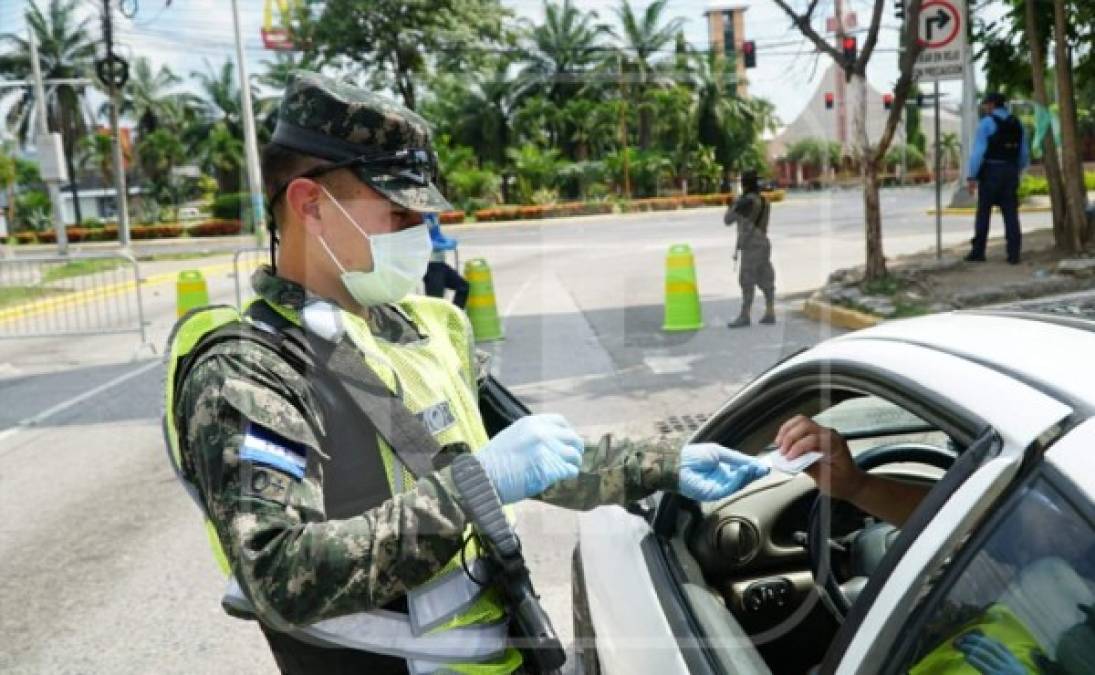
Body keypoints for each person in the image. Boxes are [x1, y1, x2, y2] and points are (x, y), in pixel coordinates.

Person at [164, 71, 770, 675]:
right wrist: (472, 488)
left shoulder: (418, 328)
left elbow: (537, 459)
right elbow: (276, 574)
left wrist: (667, 464)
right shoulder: (251, 370)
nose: (420, 234)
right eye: (398, 214)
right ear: (310, 205)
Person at [966, 92, 1030, 265]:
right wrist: (1016, 169)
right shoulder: (1017, 123)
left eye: (986, 104)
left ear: (992, 105)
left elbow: (978, 153)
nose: (985, 108)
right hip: (1010, 171)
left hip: (991, 172)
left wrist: (972, 176)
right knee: (1010, 213)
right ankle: (1014, 253)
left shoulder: (986, 123)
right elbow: (1023, 153)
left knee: (983, 213)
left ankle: (978, 251)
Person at [725, 170, 776, 328]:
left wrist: (732, 204)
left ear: (745, 184)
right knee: (765, 276)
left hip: (751, 245)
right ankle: (770, 311)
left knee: (747, 280)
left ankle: (745, 315)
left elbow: (728, 219)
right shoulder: (764, 201)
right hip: (763, 243)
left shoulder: (745, 202)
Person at [421, 212, 470, 308]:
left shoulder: (432, 215)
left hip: (439, 263)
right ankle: (437, 321)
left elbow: (437, 235)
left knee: (463, 287)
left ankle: (453, 316)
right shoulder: (417, 216)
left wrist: (447, 241)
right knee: (436, 302)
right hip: (429, 264)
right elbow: (421, 241)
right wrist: (440, 245)